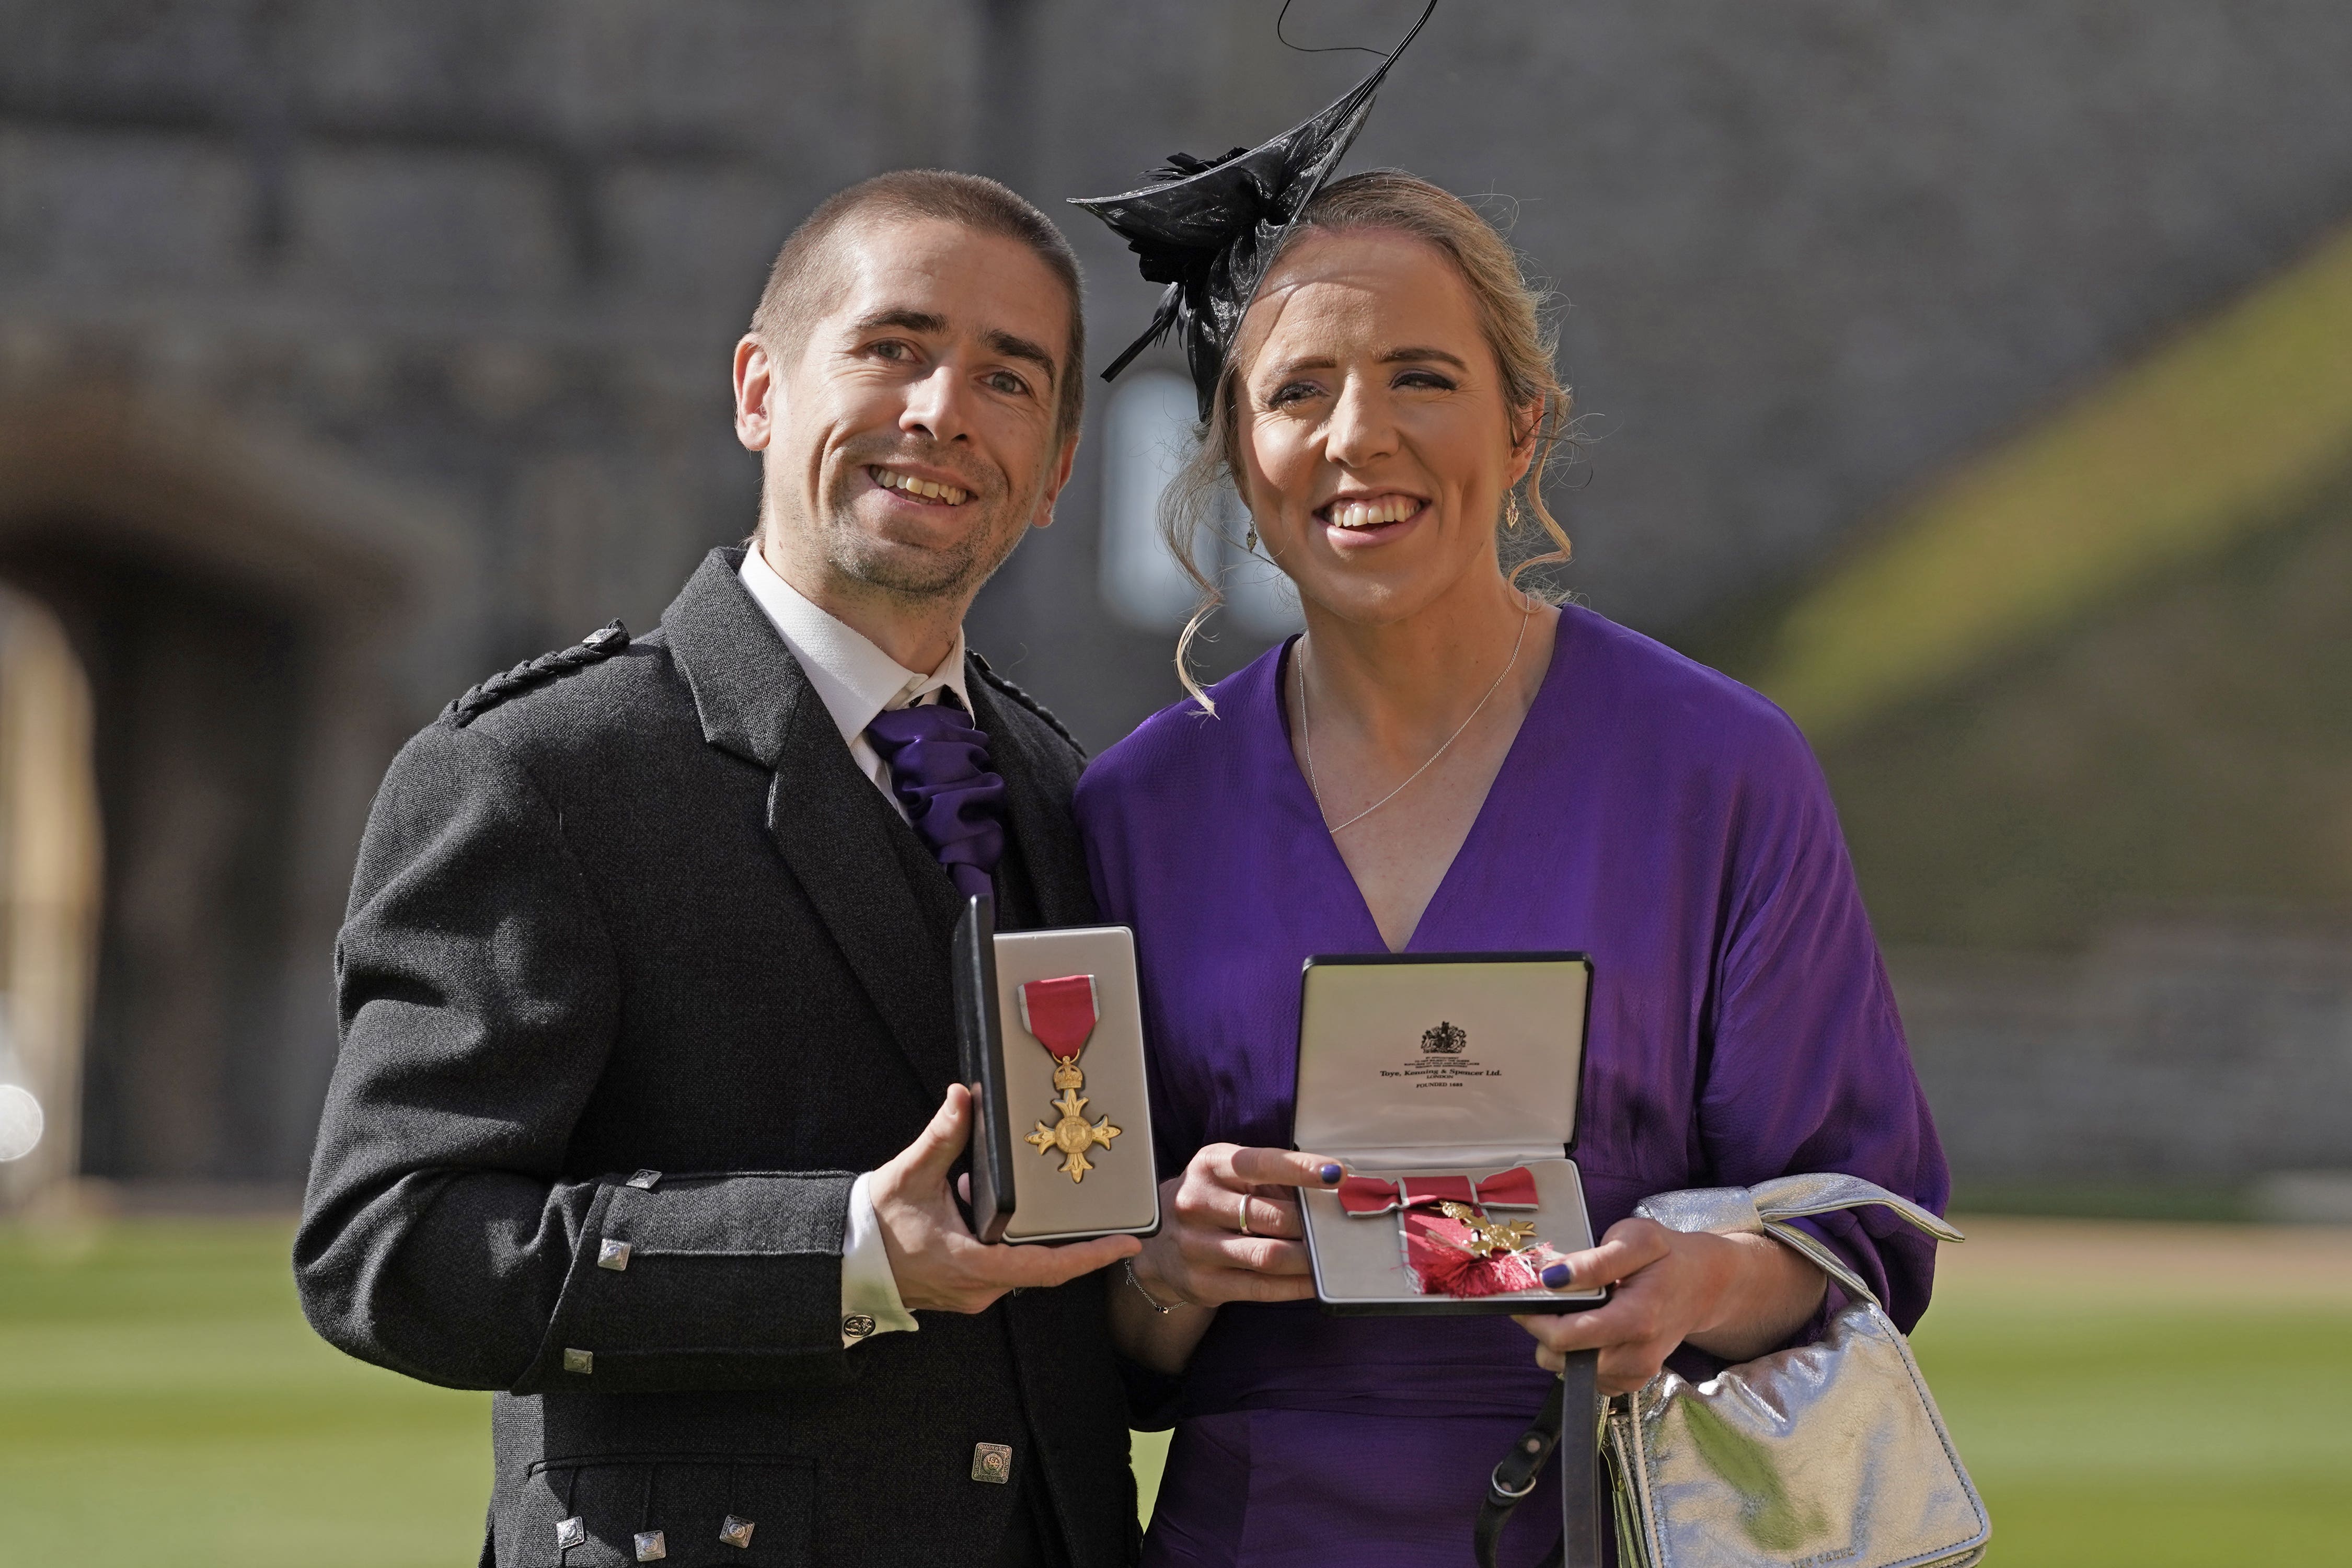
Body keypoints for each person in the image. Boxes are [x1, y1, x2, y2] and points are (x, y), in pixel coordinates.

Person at [1071, 167, 1950, 1565]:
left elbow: (1856, 1226)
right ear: (1237, 450)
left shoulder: (1716, 769)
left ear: (1522, 424)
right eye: (1298, 392)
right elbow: (1091, 1333)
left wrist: (1701, 1280)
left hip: (1607, 1516)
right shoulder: (1130, 808)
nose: (1360, 436)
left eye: (1420, 377)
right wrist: (1166, 1271)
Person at [296, 170, 1147, 1568]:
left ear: (1054, 472)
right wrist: (843, 1251)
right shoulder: (544, 773)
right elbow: (391, 1251)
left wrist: (1170, 1275)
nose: (941, 411)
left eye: (1008, 379)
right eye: (892, 348)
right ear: (759, 390)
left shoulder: (1070, 794)